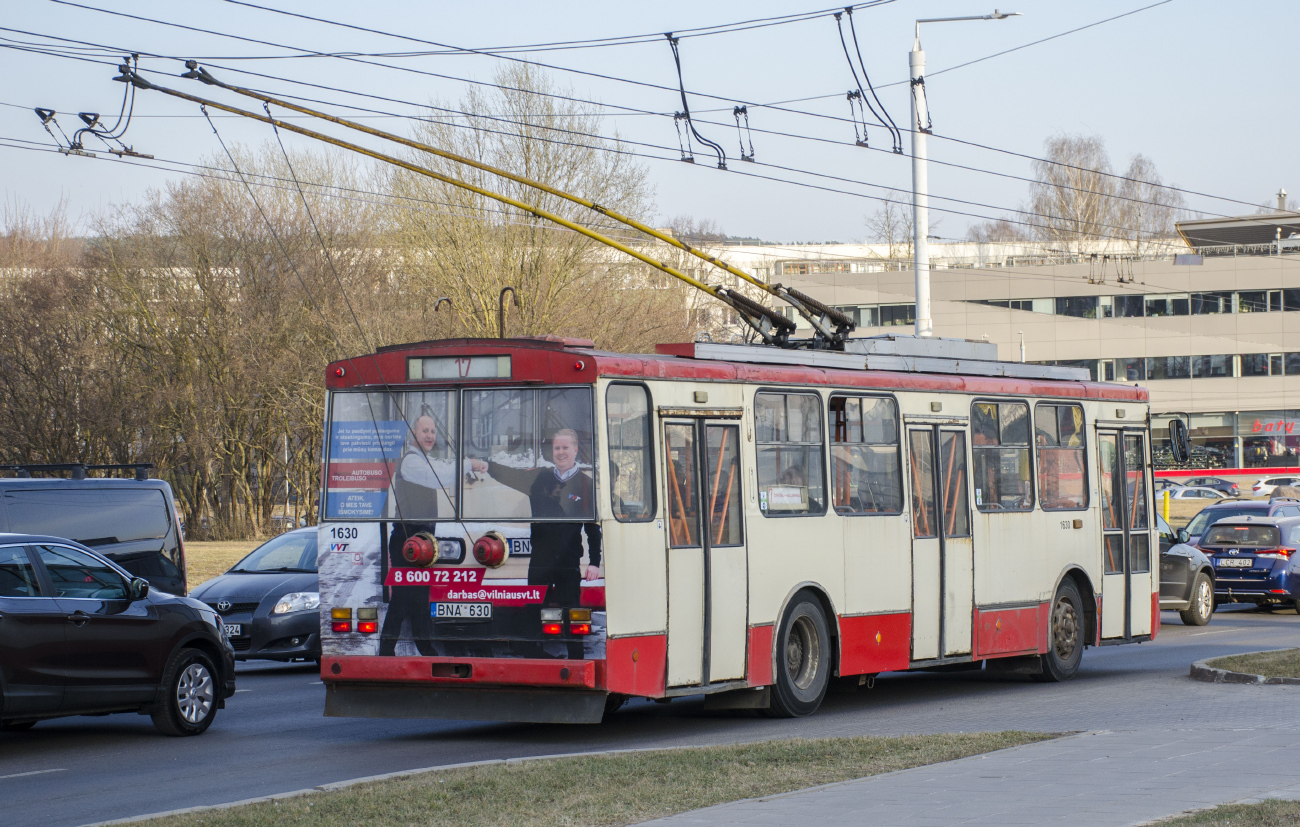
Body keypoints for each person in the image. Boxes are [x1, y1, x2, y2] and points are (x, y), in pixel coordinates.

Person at [470, 428, 601, 608]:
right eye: (557, 448)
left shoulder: (586, 484)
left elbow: (593, 529)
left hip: (568, 564)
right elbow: (512, 476)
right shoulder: (540, 477)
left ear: (575, 450)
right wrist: (489, 466)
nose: (560, 452)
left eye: (565, 447)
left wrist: (594, 562)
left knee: (570, 618)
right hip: (540, 562)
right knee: (533, 616)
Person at [381, 412, 458, 657]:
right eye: (425, 430)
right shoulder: (411, 462)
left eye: (433, 431)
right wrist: (467, 465)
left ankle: (425, 649)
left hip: (422, 542)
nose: (430, 435)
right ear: (414, 433)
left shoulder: (423, 460)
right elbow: (439, 479)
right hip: (407, 540)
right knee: (403, 598)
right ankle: (387, 650)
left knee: (418, 598)